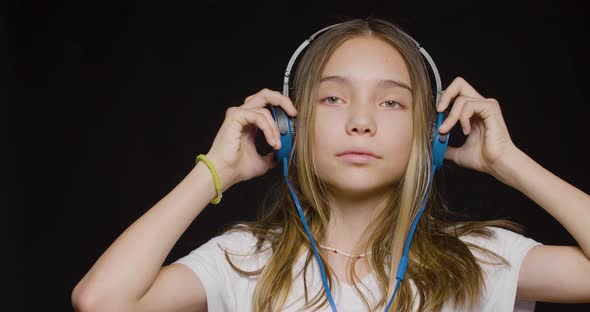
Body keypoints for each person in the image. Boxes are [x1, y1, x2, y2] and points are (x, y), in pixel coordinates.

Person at [71, 17, 590, 312]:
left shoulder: (481, 260)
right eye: (333, 99)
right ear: (290, 127)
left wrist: (511, 163)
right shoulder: (243, 260)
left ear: (430, 134)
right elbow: (100, 302)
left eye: (392, 103)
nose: (360, 122)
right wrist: (215, 171)